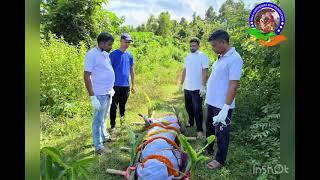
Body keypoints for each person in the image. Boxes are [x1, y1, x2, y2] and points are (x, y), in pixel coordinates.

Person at [205, 30, 243, 169]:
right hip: (211, 101)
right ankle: (208, 150)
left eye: (214, 45)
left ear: (223, 42)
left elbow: (234, 85)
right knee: (209, 128)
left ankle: (220, 160)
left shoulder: (235, 58)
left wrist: (226, 108)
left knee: (222, 133)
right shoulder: (220, 57)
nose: (213, 48)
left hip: (222, 105)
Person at [84, 32, 115, 155]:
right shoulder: (91, 55)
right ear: (101, 43)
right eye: (109, 44)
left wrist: (110, 87)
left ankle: (104, 136)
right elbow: (86, 76)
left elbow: (106, 71)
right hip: (99, 94)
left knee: (104, 117)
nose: (111, 47)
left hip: (108, 92)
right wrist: (92, 97)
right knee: (97, 120)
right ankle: (98, 146)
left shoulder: (105, 54)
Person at [179, 37, 209, 139]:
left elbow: (205, 72)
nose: (192, 47)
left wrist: (203, 86)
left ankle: (200, 130)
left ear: (198, 46)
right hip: (187, 87)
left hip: (197, 88)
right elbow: (184, 71)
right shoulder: (187, 57)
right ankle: (191, 123)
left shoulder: (202, 56)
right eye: (191, 45)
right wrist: (181, 84)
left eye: (194, 46)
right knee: (189, 108)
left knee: (198, 109)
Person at [109, 33, 135, 131]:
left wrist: (133, 84)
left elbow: (132, 70)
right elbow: (108, 70)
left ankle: (123, 124)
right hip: (115, 85)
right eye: (125, 42)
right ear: (121, 41)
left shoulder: (130, 55)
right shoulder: (113, 54)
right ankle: (113, 126)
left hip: (125, 85)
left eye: (128, 42)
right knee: (113, 106)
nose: (127, 44)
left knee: (123, 106)